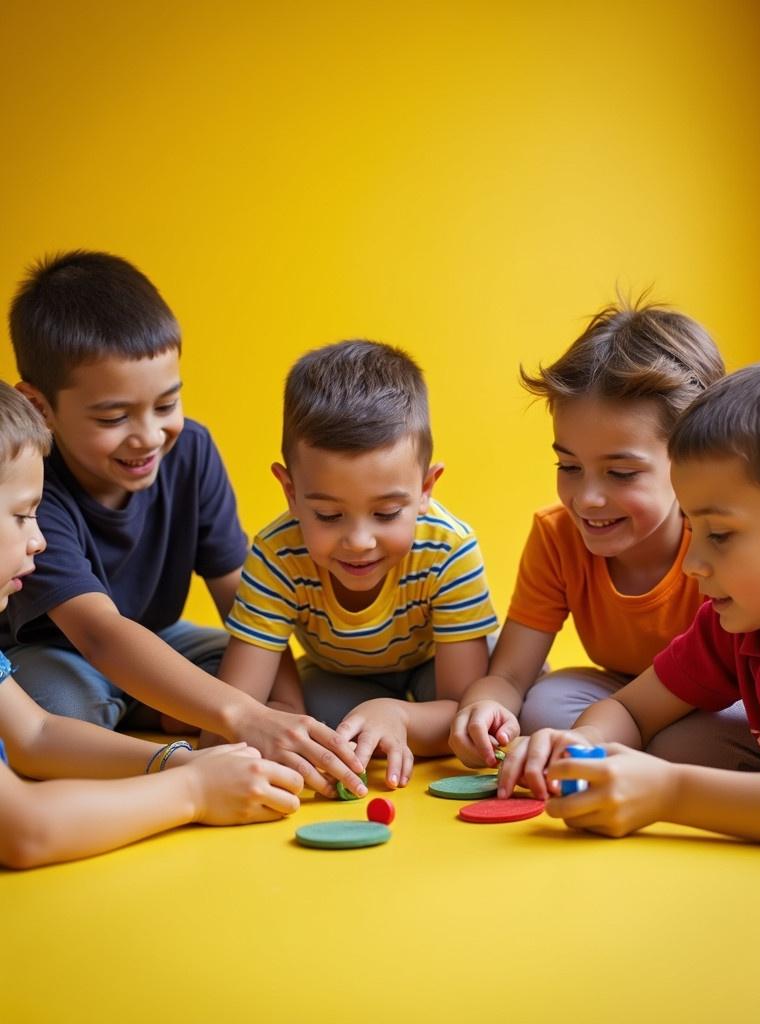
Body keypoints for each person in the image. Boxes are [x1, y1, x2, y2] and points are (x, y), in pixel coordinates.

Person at [3, 251, 364, 799]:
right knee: (57, 701)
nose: (148, 436)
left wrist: (279, 707)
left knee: (243, 664)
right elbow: (99, 635)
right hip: (63, 650)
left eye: (166, 404)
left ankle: (163, 705)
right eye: (113, 417)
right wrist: (243, 715)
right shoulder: (29, 489)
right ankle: (153, 725)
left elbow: (251, 606)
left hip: (161, 636)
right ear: (40, 407)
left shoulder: (191, 450)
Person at [0, 380, 303, 868]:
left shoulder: (193, 453)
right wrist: (193, 790)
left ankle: (152, 705)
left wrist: (183, 759)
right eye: (21, 517)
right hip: (66, 659)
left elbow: (35, 736)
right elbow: (24, 832)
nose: (38, 541)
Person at [450, 299, 729, 782]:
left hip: (723, 695)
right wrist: (482, 709)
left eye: (621, 473)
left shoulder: (722, 545)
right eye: (569, 467)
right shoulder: (558, 536)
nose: (588, 499)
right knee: (545, 705)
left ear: (690, 458)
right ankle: (641, 745)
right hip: (623, 694)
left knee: (692, 736)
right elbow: (513, 674)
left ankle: (652, 752)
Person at [502, 363, 760, 842]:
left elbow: (671, 780)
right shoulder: (729, 626)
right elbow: (631, 710)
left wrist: (671, 793)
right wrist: (582, 746)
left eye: (720, 535)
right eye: (693, 527)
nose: (692, 562)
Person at [215, 339, 498, 788]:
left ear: (426, 488)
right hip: (339, 674)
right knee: (327, 720)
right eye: (328, 515)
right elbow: (236, 707)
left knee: (487, 721)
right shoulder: (277, 554)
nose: (360, 542)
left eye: (386, 514)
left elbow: (462, 707)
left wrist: (398, 715)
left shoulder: (449, 548)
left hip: (435, 667)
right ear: (290, 493)